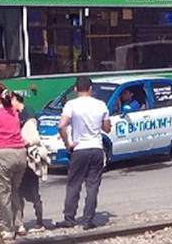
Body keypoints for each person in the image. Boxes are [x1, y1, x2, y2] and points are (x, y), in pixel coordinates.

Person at [56, 76, 112, 230]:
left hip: (79, 149)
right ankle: (88, 220)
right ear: (91, 89)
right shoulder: (101, 105)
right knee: (92, 185)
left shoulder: (71, 104)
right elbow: (107, 128)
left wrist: (68, 143)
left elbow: (61, 126)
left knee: (74, 184)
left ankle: (69, 218)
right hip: (96, 148)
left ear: (75, 89)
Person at [0, 82, 27, 241]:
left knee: (3, 194)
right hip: (20, 154)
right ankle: (20, 224)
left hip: (1, 154)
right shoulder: (13, 112)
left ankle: (8, 229)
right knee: (14, 190)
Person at [12, 94, 47, 234]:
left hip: (29, 157)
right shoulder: (16, 114)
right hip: (20, 158)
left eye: (12, 100)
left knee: (33, 192)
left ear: (17, 100)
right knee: (19, 192)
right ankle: (20, 223)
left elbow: (31, 129)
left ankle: (40, 222)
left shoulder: (28, 112)